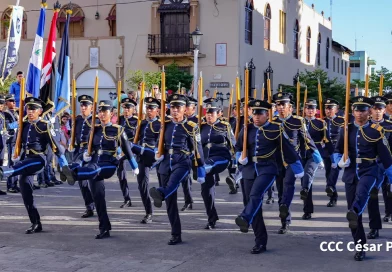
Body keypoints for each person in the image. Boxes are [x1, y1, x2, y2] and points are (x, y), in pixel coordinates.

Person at [234, 99, 303, 254]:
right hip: (250, 168)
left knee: (255, 194)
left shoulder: (275, 129)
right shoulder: (247, 129)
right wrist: (240, 157)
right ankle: (260, 241)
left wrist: (297, 168)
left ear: (267, 114)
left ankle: (245, 217)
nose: (257, 117)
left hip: (268, 168)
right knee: (252, 203)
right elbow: (238, 147)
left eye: (260, 113)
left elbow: (288, 149)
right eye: (254, 113)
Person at [63, 100, 138, 239]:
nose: (102, 114)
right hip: (94, 162)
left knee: (93, 170)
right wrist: (85, 154)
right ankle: (104, 227)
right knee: (98, 198)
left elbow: (127, 150)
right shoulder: (94, 129)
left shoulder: (117, 129)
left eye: (105, 111)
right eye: (100, 111)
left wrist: (134, 166)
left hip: (109, 163)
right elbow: (88, 146)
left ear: (112, 113)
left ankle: (74, 174)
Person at [333, 96, 392, 261]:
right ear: (352, 111)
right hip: (351, 173)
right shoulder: (346, 129)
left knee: (362, 194)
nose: (360, 113)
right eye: (357, 110)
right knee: (353, 215)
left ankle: (356, 210)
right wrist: (339, 161)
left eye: (363, 110)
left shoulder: (376, 130)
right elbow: (337, 150)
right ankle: (360, 246)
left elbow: (386, 158)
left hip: (369, 170)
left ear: (370, 111)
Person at [0, 97, 69, 234]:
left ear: (40, 111)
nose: (30, 111)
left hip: (38, 159)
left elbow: (56, 148)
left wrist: (64, 166)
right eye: (28, 109)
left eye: (33, 109)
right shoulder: (24, 124)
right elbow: (11, 130)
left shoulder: (44, 126)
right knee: (26, 195)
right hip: (26, 159)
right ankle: (36, 223)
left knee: (17, 168)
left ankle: (3, 172)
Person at [149, 94, 205, 245]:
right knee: (170, 202)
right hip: (165, 163)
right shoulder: (165, 124)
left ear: (185, 109)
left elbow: (197, 149)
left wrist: (200, 169)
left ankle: (160, 192)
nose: (174, 111)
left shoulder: (191, 127)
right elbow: (158, 142)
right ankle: (176, 234)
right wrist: (157, 152)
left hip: (182, 162)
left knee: (170, 186)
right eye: (172, 107)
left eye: (178, 107)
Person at [272, 92, 321, 234]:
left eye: (283, 105)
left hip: (293, 161)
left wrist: (317, 156)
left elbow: (307, 139)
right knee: (280, 189)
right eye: (278, 105)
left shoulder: (298, 121)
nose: (280, 107)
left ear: (290, 107)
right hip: (277, 161)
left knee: (288, 183)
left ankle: (284, 208)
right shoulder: (272, 122)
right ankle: (284, 219)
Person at [200, 98, 234, 229]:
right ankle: (212, 217)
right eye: (207, 113)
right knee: (206, 192)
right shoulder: (201, 126)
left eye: (212, 113)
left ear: (219, 113)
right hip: (205, 159)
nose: (209, 115)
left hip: (221, 157)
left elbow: (233, 144)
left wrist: (235, 163)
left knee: (207, 166)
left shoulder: (225, 126)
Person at [65, 95, 96, 218]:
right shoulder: (76, 120)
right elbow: (73, 134)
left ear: (91, 107)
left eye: (86, 105)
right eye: (82, 105)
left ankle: (97, 204)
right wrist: (71, 144)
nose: (83, 108)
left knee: (93, 181)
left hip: (91, 152)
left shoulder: (96, 120)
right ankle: (89, 207)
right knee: (82, 182)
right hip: (79, 150)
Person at [131, 97, 161, 223]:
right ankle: (148, 212)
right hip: (142, 156)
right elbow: (137, 139)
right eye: (147, 108)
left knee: (165, 182)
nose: (149, 111)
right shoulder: (142, 123)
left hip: (154, 155)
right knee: (142, 185)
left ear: (157, 110)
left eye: (151, 108)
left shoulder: (160, 124)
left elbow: (160, 142)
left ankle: (160, 194)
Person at [302, 99, 333, 220]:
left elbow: (327, 140)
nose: (310, 110)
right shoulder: (299, 122)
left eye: (312, 108)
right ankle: (307, 207)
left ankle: (307, 209)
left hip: (314, 153)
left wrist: (333, 157)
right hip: (302, 153)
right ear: (304, 109)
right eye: (308, 108)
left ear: (316, 110)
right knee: (305, 179)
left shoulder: (321, 123)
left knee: (307, 175)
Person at [366, 96, 392, 239]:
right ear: (370, 110)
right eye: (375, 109)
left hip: (387, 164)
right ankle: (374, 226)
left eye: (380, 109)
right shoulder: (365, 126)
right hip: (372, 166)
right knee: (373, 195)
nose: (377, 112)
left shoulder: (390, 126)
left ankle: (389, 212)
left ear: (384, 110)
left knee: (389, 192)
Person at [117, 98, 138, 208]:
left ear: (133, 109)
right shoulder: (119, 120)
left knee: (141, 176)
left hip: (133, 147)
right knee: (121, 174)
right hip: (121, 149)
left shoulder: (136, 120)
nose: (126, 110)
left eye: (128, 108)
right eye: (124, 108)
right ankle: (126, 198)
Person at [324, 99, 345, 207]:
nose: (328, 110)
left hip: (338, 150)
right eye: (326, 108)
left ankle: (330, 186)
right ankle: (333, 196)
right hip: (327, 150)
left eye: (330, 108)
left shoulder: (342, 121)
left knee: (335, 168)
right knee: (328, 173)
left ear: (336, 110)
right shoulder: (322, 121)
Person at [3, 94, 20, 193]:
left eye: (14, 101)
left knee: (17, 163)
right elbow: (6, 126)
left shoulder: (16, 113)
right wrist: (17, 123)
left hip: (17, 140)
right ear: (6, 102)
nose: (14, 103)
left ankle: (15, 183)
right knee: (11, 163)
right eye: (11, 101)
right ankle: (10, 185)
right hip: (10, 141)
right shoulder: (5, 114)